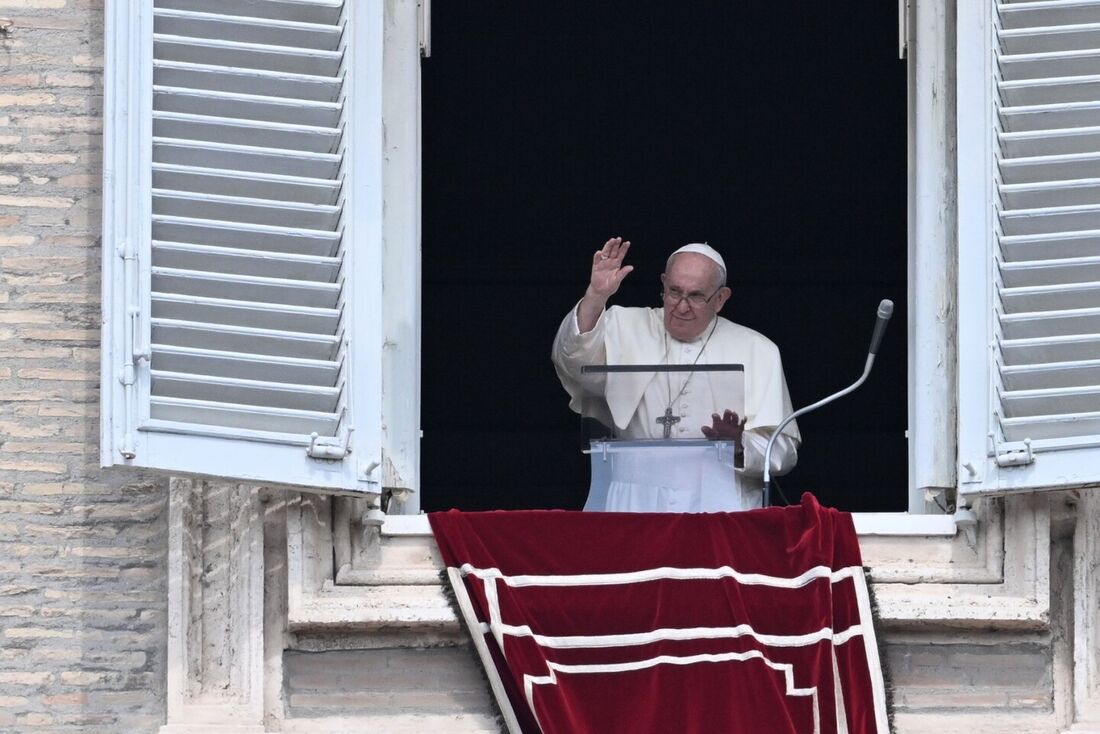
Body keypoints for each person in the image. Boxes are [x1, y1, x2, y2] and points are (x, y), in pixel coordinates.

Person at [552, 237, 800, 512]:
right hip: (634, 501)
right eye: (674, 292)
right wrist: (596, 296)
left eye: (695, 296)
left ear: (720, 298)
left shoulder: (758, 349)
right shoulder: (624, 325)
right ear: (663, 284)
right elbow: (571, 361)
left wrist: (739, 446)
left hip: (719, 502)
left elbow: (783, 453)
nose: (681, 306)